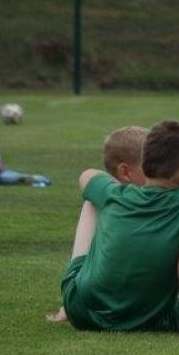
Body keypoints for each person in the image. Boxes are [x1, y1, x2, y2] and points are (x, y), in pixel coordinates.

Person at [60, 120, 179, 336]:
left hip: (81, 310)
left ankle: (69, 301)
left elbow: (87, 175)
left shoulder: (117, 195)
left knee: (93, 199)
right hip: (146, 318)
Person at [48, 125, 148, 323]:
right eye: (150, 165)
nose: (159, 171)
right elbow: (89, 175)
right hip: (120, 301)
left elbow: (89, 175)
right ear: (125, 171)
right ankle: (76, 290)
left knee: (94, 199)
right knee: (93, 200)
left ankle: (74, 295)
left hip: (108, 301)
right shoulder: (120, 201)